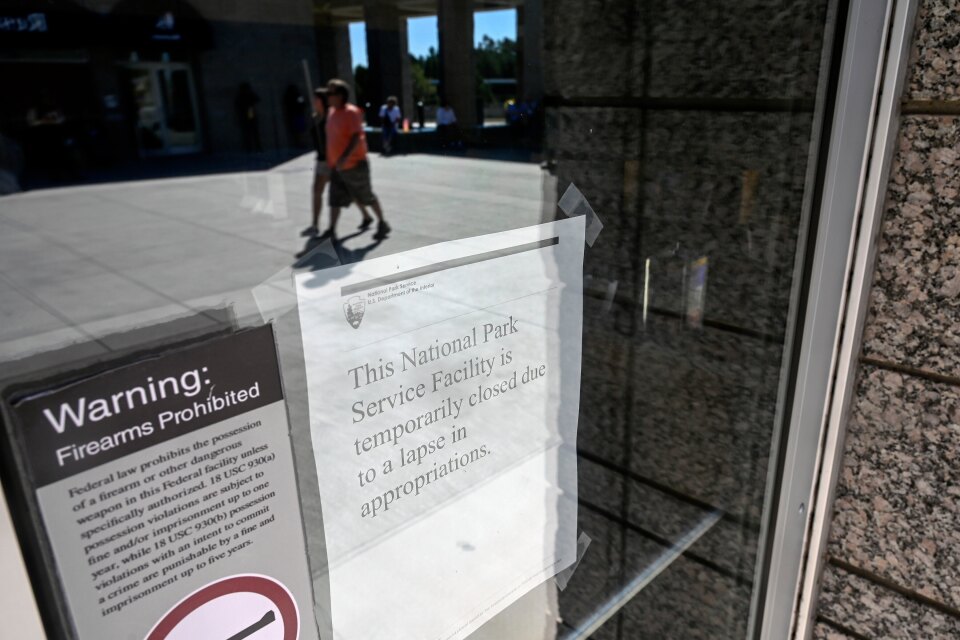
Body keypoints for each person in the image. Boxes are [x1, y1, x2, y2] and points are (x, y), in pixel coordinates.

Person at [320, 79, 390, 240]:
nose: (328, 96)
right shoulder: (331, 112)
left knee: (365, 196)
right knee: (335, 198)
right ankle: (332, 230)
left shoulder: (351, 113)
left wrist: (344, 156)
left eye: (330, 93)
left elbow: (356, 137)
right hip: (337, 166)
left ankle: (382, 223)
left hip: (354, 164)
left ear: (340, 95)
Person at [303, 88, 371, 237]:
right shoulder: (317, 117)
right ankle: (315, 225)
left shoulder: (331, 118)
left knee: (346, 193)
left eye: (316, 99)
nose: (313, 102)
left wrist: (342, 157)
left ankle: (365, 216)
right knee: (317, 191)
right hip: (321, 160)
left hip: (332, 160)